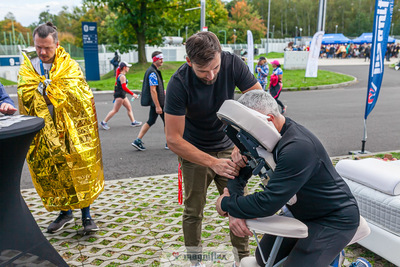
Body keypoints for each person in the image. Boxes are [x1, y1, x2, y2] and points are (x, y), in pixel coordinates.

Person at [216, 90, 360, 266]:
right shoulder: (263, 137)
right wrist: (234, 207)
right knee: (264, 258)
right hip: (301, 211)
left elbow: (267, 203)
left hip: (334, 218)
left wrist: (225, 204)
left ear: (268, 119)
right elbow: (237, 172)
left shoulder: (297, 147)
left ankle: (341, 261)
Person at [164, 31, 262, 265]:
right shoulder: (178, 83)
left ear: (221, 55)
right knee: (193, 211)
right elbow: (173, 139)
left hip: (229, 147)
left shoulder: (232, 63)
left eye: (215, 68)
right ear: (189, 62)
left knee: (239, 206)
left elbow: (259, 102)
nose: (210, 75)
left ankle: (243, 260)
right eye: (202, 71)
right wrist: (212, 163)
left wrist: (242, 139)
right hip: (195, 152)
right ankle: (195, 260)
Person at [17, 22, 104, 233]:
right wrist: (38, 94)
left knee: (79, 167)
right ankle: (65, 213)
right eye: (38, 47)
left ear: (57, 44)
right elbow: (24, 94)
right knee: (55, 170)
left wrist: (54, 93)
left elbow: (81, 95)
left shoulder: (70, 66)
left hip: (72, 129)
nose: (42, 52)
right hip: (44, 131)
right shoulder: (29, 67)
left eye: (47, 47)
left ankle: (86, 215)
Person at [132, 51, 167, 151]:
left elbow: (155, 88)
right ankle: (169, 142)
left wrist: (162, 91)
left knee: (151, 121)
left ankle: (137, 140)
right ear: (155, 59)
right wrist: (158, 106)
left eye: (162, 58)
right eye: (160, 58)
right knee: (167, 122)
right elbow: (153, 90)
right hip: (158, 103)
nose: (162, 60)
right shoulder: (152, 72)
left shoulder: (153, 71)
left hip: (157, 102)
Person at [100, 61, 142, 130]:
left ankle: (133, 122)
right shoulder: (122, 76)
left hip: (122, 95)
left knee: (129, 108)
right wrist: (133, 94)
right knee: (115, 110)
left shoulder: (121, 75)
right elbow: (124, 87)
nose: (129, 68)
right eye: (128, 67)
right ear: (124, 68)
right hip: (120, 95)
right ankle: (104, 122)